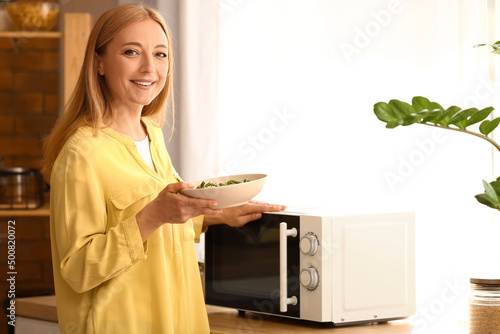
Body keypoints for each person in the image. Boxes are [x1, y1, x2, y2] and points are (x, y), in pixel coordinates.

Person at [42, 4, 285, 333]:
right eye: (131, 52)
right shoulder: (82, 153)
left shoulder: (152, 135)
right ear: (98, 62)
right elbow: (78, 268)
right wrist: (154, 215)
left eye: (160, 54)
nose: (149, 68)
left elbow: (164, 222)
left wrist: (216, 213)